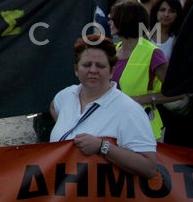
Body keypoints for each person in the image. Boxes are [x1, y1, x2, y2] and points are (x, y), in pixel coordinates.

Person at [48, 35, 158, 178]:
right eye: (87, 65)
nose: (93, 70)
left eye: (100, 66)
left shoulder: (129, 110)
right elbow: (52, 106)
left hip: (101, 199)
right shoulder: (66, 96)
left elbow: (149, 168)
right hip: (63, 195)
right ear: (76, 69)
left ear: (112, 71)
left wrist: (102, 147)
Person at [109, 1, 171, 141]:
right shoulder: (116, 49)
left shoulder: (152, 53)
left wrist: (141, 99)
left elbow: (177, 92)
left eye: (113, 18)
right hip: (116, 127)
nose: (109, 22)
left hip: (143, 129)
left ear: (125, 20)